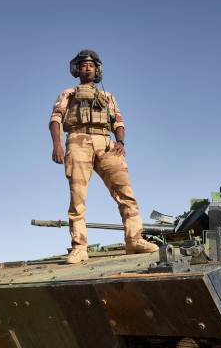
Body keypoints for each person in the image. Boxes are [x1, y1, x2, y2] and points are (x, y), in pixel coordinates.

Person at [49, 49, 158, 264]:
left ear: (97, 69)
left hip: (106, 142)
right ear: (77, 69)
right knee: (77, 198)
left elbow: (118, 122)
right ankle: (79, 247)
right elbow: (55, 119)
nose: (87, 68)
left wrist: (120, 142)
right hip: (78, 139)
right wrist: (57, 145)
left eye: (91, 65)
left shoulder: (107, 96)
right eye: (83, 65)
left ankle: (134, 239)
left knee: (125, 191)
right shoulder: (68, 93)